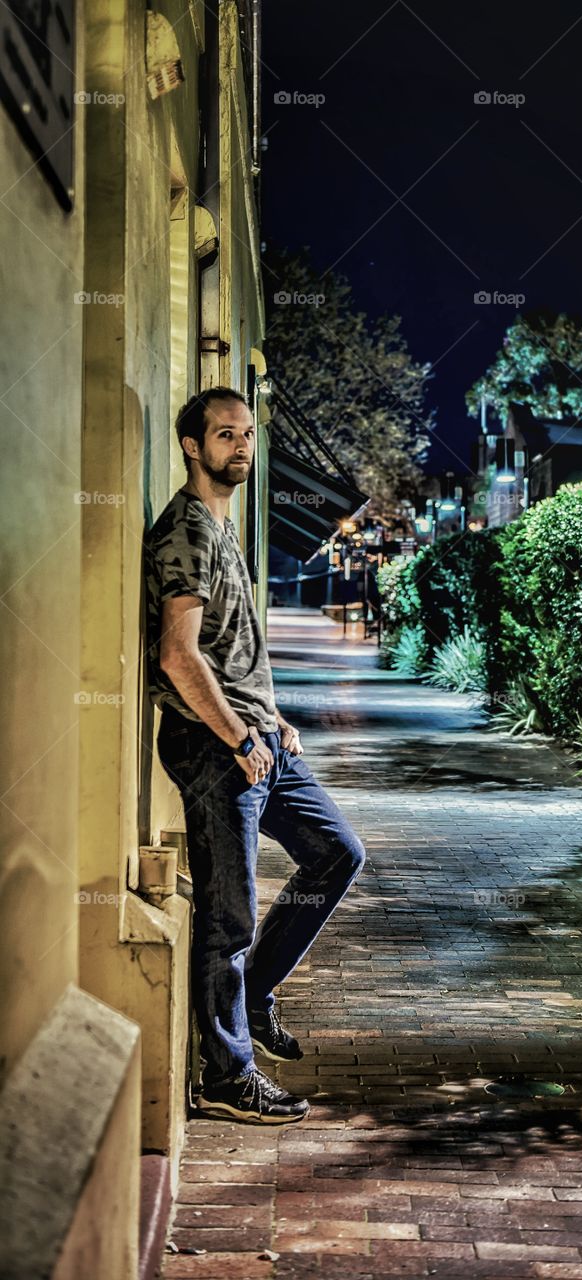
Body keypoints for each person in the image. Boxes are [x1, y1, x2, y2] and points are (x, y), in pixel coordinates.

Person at [143, 387, 366, 1124]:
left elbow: (227, 650)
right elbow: (179, 655)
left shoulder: (225, 524)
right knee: (227, 915)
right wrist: (239, 736)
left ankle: (257, 997)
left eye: (245, 434)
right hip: (216, 748)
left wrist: (269, 716)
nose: (240, 446)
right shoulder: (186, 531)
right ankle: (225, 1076)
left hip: (255, 737)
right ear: (191, 445)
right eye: (224, 435)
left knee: (336, 851)